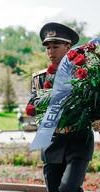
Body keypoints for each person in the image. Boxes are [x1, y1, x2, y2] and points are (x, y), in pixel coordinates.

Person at [26, 22, 94, 192]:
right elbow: (32, 105)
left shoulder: (84, 76)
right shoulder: (40, 78)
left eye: (55, 46)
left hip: (78, 140)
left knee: (67, 188)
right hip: (52, 142)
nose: (50, 51)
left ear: (69, 47)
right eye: (48, 47)